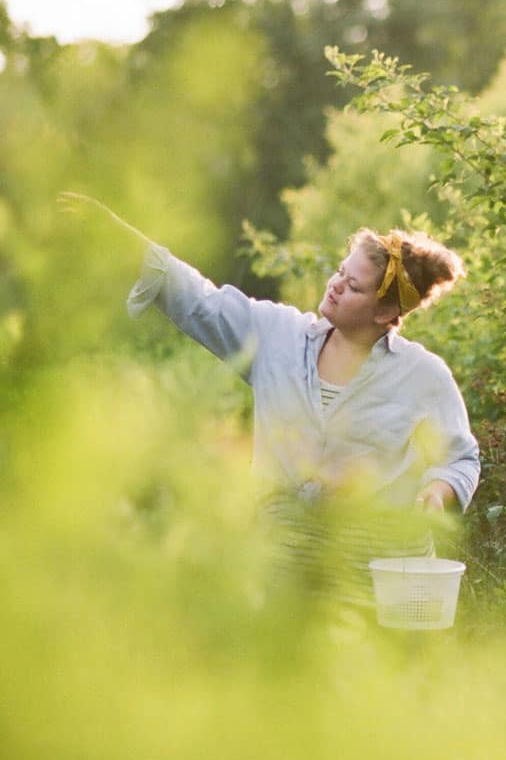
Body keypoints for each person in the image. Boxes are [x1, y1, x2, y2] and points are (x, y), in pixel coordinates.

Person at [58, 192, 480, 604]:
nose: (334, 286)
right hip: (280, 575)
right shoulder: (277, 336)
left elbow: (460, 457)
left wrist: (437, 492)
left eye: (352, 286)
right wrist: (121, 237)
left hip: (369, 587)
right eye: (339, 272)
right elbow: (201, 301)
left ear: (386, 313)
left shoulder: (422, 376)